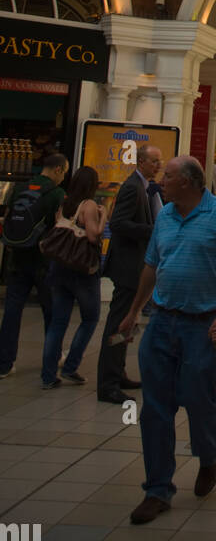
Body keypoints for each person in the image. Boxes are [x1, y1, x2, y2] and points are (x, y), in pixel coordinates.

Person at [117, 156, 216, 525]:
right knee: (156, 408)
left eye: (169, 177)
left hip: (202, 324)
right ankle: (157, 489)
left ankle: (208, 455)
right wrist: (133, 311)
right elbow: (151, 265)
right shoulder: (165, 215)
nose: (161, 181)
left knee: (198, 397)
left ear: (189, 182)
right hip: (161, 320)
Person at [97, 143, 163, 403]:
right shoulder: (132, 187)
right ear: (141, 162)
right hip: (127, 266)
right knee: (119, 321)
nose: (158, 166)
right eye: (154, 161)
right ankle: (108, 382)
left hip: (134, 266)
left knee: (127, 320)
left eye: (159, 162)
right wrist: (151, 231)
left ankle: (118, 371)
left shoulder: (143, 187)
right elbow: (119, 223)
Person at [0, 152, 67, 380]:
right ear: (58, 170)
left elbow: (8, 217)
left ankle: (4, 363)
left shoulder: (20, 188)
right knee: (51, 311)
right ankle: (53, 356)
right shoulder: (57, 193)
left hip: (17, 258)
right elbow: (59, 227)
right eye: (64, 172)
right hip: (44, 261)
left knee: (12, 311)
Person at [41, 165, 106, 389]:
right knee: (90, 318)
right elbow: (92, 235)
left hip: (59, 267)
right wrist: (104, 216)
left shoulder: (64, 202)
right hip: (81, 270)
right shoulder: (88, 205)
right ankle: (70, 366)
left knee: (58, 323)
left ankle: (48, 375)